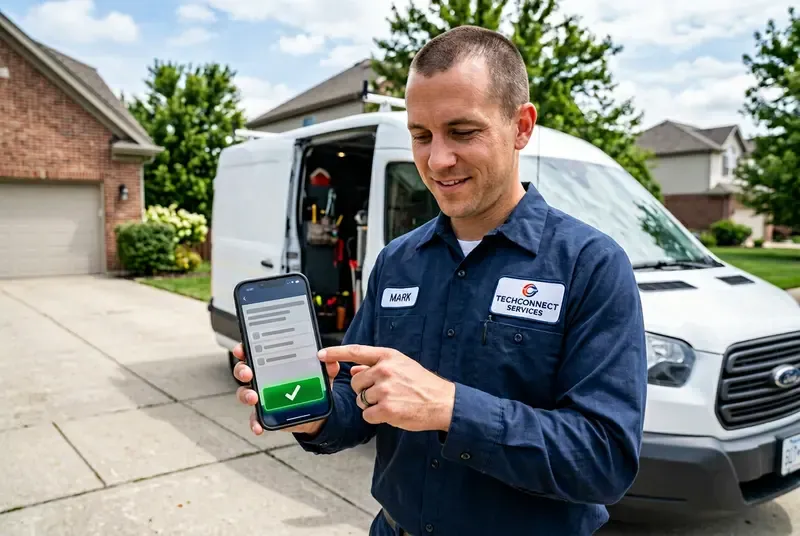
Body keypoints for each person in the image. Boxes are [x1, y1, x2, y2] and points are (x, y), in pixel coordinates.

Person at [232, 25, 647, 536]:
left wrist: (450, 408)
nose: (437, 160)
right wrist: (312, 413)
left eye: (463, 131)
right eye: (421, 135)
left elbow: (605, 461)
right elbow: (357, 403)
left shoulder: (591, 265)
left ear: (521, 126)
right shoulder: (397, 261)